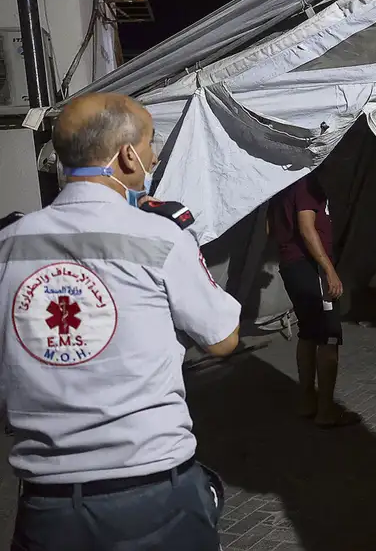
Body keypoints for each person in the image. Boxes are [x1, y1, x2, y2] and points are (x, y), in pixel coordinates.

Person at [0, 92, 241, 550]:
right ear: (127, 155)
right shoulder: (159, 236)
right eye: (150, 145)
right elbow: (223, 339)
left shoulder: (8, 243)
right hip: (154, 495)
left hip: (48, 507)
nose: (153, 158)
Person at [268, 171, 359, 427]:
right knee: (329, 337)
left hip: (290, 265)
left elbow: (269, 229)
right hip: (310, 267)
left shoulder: (280, 185)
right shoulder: (306, 183)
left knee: (308, 333)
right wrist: (329, 270)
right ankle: (326, 410)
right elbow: (307, 228)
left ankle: (307, 402)